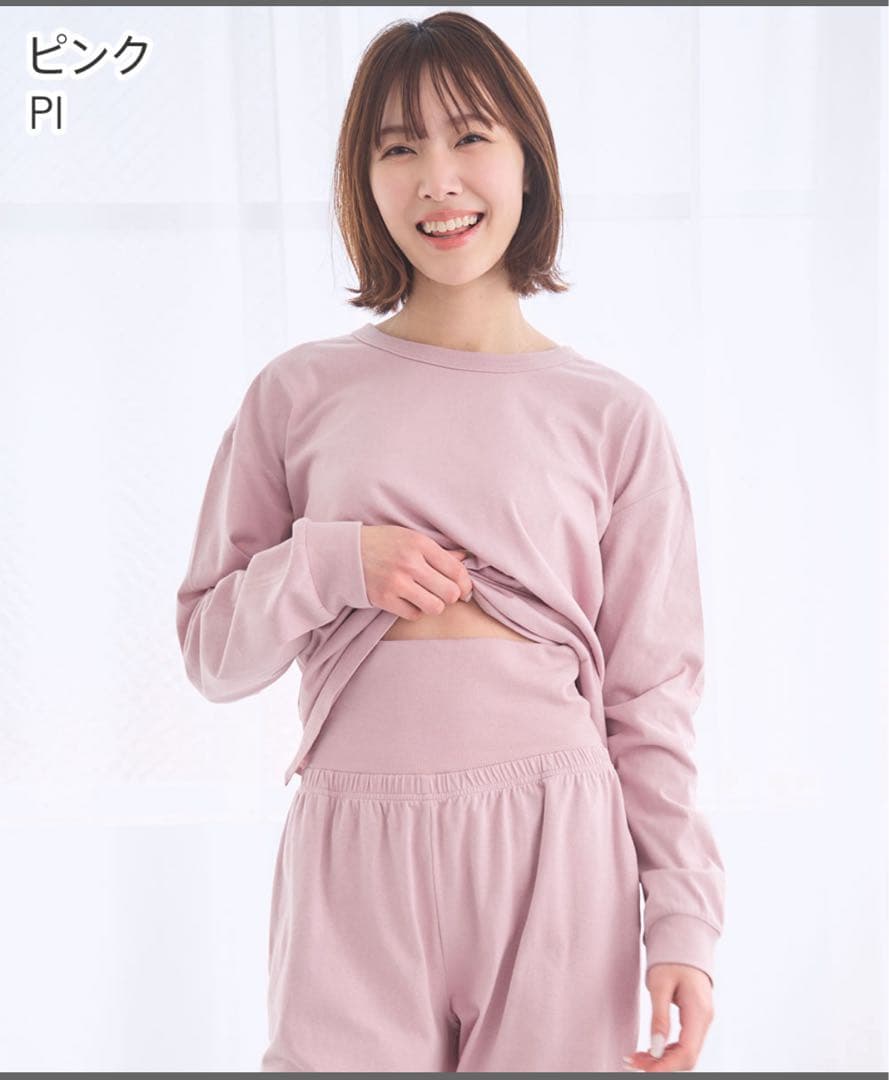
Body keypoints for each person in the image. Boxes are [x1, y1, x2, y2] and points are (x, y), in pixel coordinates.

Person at [175, 10, 726, 1074]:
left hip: (556, 843)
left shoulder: (611, 416)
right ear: (364, 180)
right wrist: (333, 562)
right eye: (398, 148)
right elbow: (211, 654)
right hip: (353, 845)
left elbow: (651, 696)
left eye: (470, 136)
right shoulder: (297, 393)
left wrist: (683, 923)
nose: (437, 179)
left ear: (528, 161)